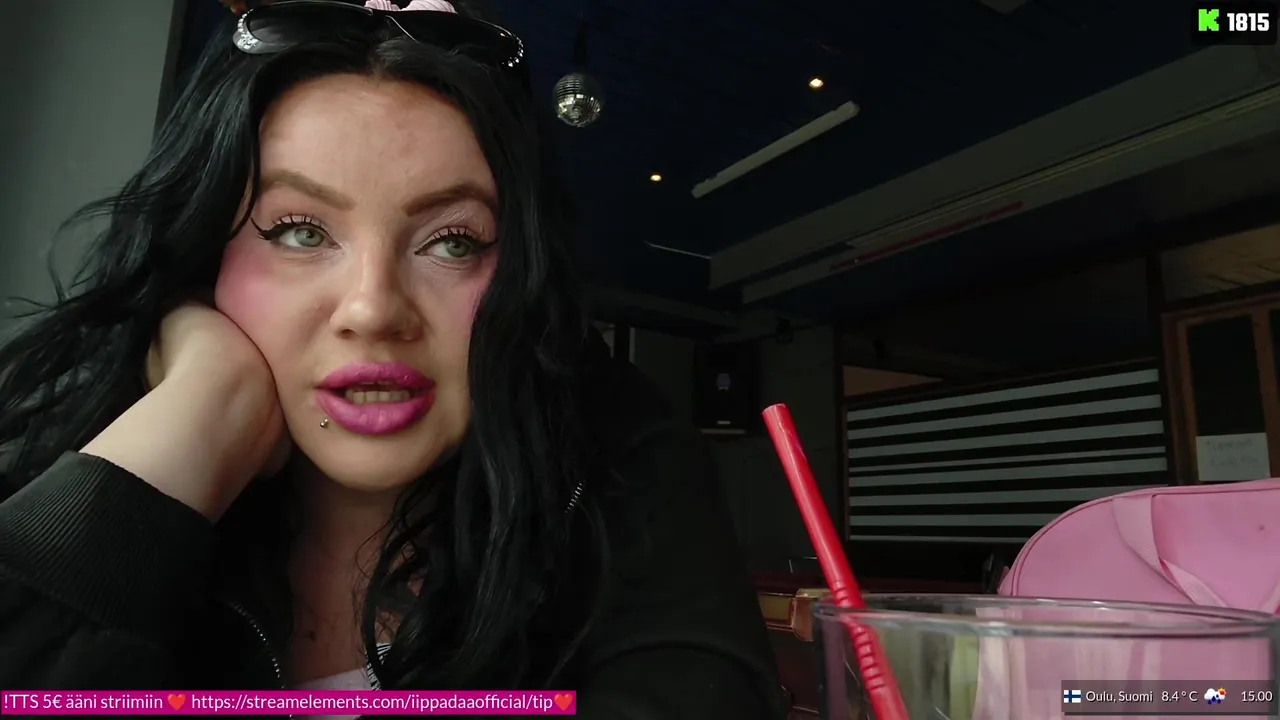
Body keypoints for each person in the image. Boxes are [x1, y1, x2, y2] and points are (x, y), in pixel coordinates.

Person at [0, 1, 786, 717]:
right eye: (299, 231)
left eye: (454, 242)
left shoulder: (617, 463)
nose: (373, 309)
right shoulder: (73, 463)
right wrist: (204, 404)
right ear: (207, 260)